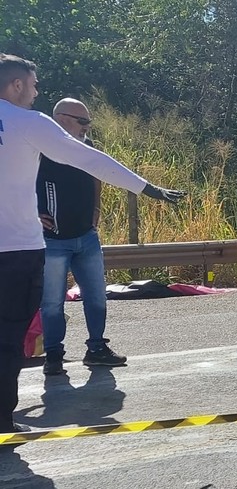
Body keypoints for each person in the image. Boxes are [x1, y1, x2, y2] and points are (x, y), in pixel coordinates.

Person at [0, 54, 185, 439]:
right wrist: (147, 188)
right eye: (33, 85)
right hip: (18, 251)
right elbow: (89, 159)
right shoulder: (30, 122)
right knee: (8, 339)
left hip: (46, 241)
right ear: (16, 85)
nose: (36, 93)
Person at [37, 98, 127, 375]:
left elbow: (96, 176)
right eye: (83, 121)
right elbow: (14, 183)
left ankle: (97, 348)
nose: (87, 127)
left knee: (97, 296)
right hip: (53, 240)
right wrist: (31, 213)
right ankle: (54, 355)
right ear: (62, 120)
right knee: (52, 303)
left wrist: (96, 210)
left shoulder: (86, 146)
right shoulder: (39, 149)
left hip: (86, 237)